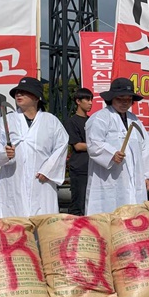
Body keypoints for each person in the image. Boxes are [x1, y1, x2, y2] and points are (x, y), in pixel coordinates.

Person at [0, 77, 69, 220]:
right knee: (12, 220)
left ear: (37, 97)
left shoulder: (51, 121)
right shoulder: (6, 121)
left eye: (25, 92)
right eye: (18, 92)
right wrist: (5, 154)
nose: (19, 95)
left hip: (41, 180)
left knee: (42, 221)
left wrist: (48, 170)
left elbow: (61, 146)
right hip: (12, 179)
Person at [85, 78, 149, 215]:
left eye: (128, 99)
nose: (125, 103)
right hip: (109, 178)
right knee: (109, 212)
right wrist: (111, 154)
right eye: (120, 99)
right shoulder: (100, 118)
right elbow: (94, 143)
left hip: (134, 178)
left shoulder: (135, 120)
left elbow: (145, 147)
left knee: (135, 215)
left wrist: (147, 175)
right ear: (112, 98)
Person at [63, 88, 94, 216]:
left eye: (91, 100)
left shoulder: (93, 120)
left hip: (94, 166)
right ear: (78, 101)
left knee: (91, 202)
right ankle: (74, 232)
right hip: (80, 167)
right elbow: (78, 146)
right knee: (78, 202)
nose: (90, 103)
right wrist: (97, 146)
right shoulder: (71, 122)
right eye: (87, 99)